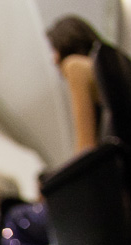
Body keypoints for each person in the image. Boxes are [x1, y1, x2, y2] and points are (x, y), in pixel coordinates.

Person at [45, 15, 103, 156]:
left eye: (54, 50)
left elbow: (85, 147)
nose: (54, 60)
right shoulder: (106, 68)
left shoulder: (75, 66)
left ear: (65, 43)